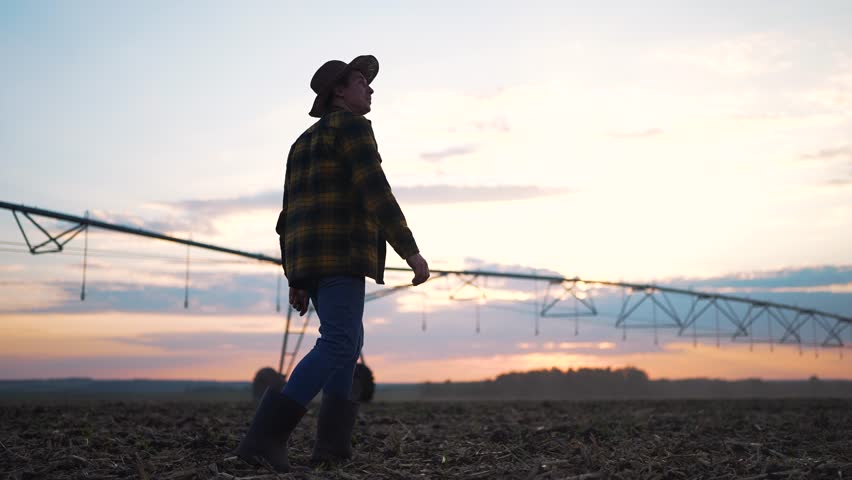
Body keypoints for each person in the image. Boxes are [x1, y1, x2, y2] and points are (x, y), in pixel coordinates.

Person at [235, 54, 430, 473]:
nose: (371, 88)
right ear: (339, 91)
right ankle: (264, 438)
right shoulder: (353, 128)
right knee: (341, 342)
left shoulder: (300, 143)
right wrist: (409, 250)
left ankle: (332, 447)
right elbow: (375, 191)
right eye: (362, 81)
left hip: (311, 257)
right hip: (341, 252)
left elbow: (290, 214)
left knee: (348, 343)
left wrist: (296, 275)